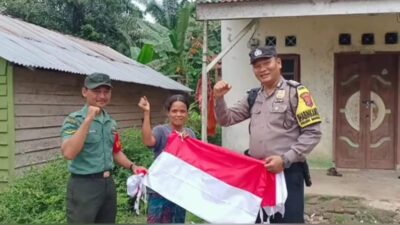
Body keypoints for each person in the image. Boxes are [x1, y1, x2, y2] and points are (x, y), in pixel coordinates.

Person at [213, 46, 322, 223]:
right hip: (259, 174)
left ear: (278, 63)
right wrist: (218, 98)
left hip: (287, 172)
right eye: (257, 66)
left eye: (267, 63)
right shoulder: (254, 96)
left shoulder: (296, 93)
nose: (262, 69)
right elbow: (227, 119)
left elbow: (313, 133)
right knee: (260, 219)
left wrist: (285, 159)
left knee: (288, 220)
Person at [60, 72, 146, 224]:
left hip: (107, 185)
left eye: (106, 92)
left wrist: (132, 166)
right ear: (84, 92)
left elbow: (116, 151)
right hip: (84, 186)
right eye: (97, 91)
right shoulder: (74, 120)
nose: (102, 96)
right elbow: (68, 153)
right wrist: (88, 120)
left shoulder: (110, 122)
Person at [138, 94, 196, 224]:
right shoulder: (161, 131)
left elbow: (194, 161)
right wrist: (146, 113)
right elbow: (148, 141)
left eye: (182, 111)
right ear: (168, 113)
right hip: (160, 189)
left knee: (177, 221)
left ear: (187, 113)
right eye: (174, 111)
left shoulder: (190, 134)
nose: (178, 114)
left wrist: (187, 143)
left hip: (179, 189)